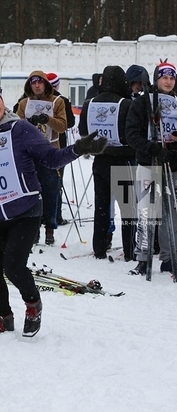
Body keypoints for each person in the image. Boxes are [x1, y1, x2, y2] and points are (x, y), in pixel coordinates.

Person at [0, 84, 106, 338]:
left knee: (13, 266)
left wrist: (78, 149)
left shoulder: (20, 128)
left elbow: (50, 158)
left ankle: (32, 304)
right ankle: (2, 318)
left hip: (25, 210)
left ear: (1, 100)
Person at [78, 66, 136, 261]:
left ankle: (99, 248)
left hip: (100, 160)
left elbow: (83, 131)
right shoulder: (127, 104)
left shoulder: (89, 103)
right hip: (122, 161)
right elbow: (132, 135)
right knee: (128, 209)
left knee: (101, 207)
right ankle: (130, 251)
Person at [126, 61, 177, 276]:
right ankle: (143, 258)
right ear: (156, 79)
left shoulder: (175, 102)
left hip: (172, 165)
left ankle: (169, 257)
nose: (168, 81)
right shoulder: (142, 102)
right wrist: (152, 149)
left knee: (171, 214)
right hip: (148, 163)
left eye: (172, 77)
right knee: (147, 212)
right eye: (164, 77)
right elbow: (131, 134)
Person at [16, 70, 67, 245]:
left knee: (51, 192)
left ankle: (50, 229)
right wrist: (26, 124)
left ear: (45, 83)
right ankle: (33, 228)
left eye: (40, 82)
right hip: (29, 154)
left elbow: (62, 126)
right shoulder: (23, 103)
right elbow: (16, 125)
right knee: (31, 193)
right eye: (33, 82)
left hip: (50, 151)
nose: (36, 85)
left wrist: (47, 119)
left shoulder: (57, 102)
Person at [46, 72, 76, 226]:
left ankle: (44, 216)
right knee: (56, 181)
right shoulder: (62, 100)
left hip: (40, 144)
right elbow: (69, 123)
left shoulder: (36, 99)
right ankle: (55, 216)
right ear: (56, 85)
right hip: (58, 144)